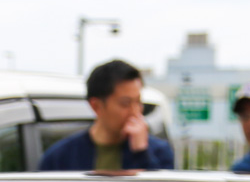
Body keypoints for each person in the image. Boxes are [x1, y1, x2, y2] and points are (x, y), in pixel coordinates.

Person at [39, 60, 174, 172]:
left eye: (138, 102)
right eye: (125, 103)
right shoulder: (60, 157)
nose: (135, 112)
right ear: (96, 106)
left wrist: (141, 153)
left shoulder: (159, 152)